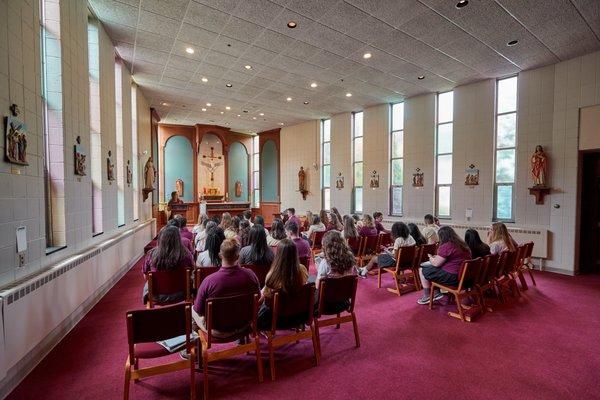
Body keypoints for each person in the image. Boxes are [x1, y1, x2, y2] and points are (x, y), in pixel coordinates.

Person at [193, 239, 260, 336]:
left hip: (217, 330)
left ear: (220, 255)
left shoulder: (209, 281)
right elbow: (257, 300)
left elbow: (198, 310)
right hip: (244, 325)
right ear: (238, 256)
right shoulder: (250, 275)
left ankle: (193, 347)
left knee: (192, 310)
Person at [257, 238, 309, 330]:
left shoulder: (272, 276)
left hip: (277, 319)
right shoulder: (302, 269)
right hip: (299, 315)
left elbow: (266, 299)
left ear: (278, 255)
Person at [417, 226, 471, 305]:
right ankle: (436, 292)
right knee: (432, 270)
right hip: (465, 276)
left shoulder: (447, 245)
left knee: (422, 269)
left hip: (453, 277)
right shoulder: (462, 244)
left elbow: (436, 263)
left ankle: (427, 295)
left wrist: (431, 258)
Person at [142, 226, 194, 303]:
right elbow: (192, 271)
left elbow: (146, 276)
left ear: (161, 238)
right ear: (178, 239)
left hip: (156, 295)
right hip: (181, 293)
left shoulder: (151, 254)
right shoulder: (186, 254)